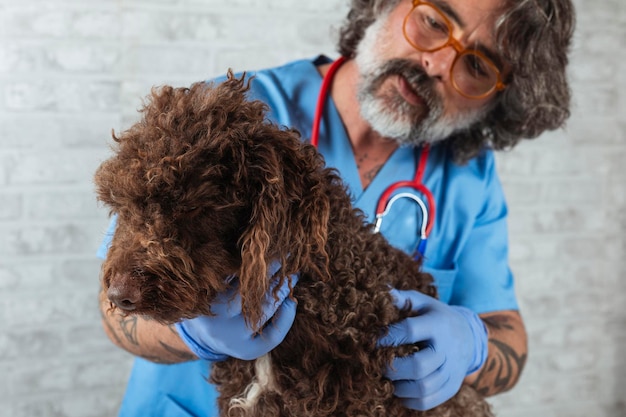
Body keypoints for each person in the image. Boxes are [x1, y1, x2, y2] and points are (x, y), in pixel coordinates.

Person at [97, 0, 575, 415]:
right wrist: (198, 337)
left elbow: (508, 335)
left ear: (499, 97)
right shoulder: (226, 123)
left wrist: (470, 346)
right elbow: (117, 305)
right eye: (433, 21)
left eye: (476, 66)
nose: (437, 63)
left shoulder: (469, 179)